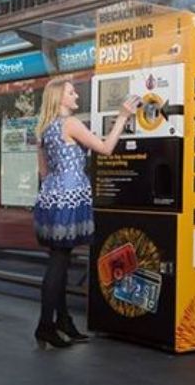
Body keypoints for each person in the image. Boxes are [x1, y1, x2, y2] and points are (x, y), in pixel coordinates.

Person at [33, 78, 139, 349]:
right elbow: (105, 148)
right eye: (71, 91)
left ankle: (63, 322)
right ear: (59, 98)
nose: (75, 94)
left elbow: (43, 172)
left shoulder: (44, 127)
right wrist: (123, 117)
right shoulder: (71, 124)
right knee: (59, 263)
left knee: (60, 260)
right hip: (71, 197)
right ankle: (45, 326)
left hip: (51, 196)